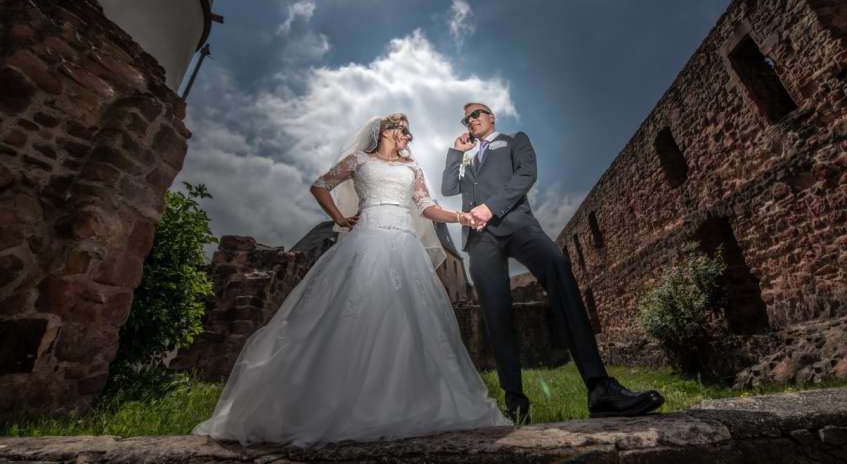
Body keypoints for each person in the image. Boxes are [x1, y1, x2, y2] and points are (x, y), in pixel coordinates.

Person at [193, 113, 511, 447]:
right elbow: (320, 186)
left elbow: (427, 207)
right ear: (386, 131)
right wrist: (340, 218)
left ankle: (402, 402)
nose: (409, 136)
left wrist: (461, 217)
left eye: (410, 131)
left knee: (408, 322)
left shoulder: (412, 168)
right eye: (403, 130)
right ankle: (331, 404)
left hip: (405, 245)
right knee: (351, 315)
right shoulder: (359, 160)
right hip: (367, 240)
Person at [441, 103, 664, 423]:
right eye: (467, 118)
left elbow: (526, 175)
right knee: (495, 313)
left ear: (491, 117)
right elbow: (448, 188)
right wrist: (455, 153)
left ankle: (599, 388)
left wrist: (490, 207)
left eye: (477, 113)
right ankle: (515, 401)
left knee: (559, 270)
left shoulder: (514, 140)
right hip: (479, 240)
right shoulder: (465, 156)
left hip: (518, 224)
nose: (471, 120)